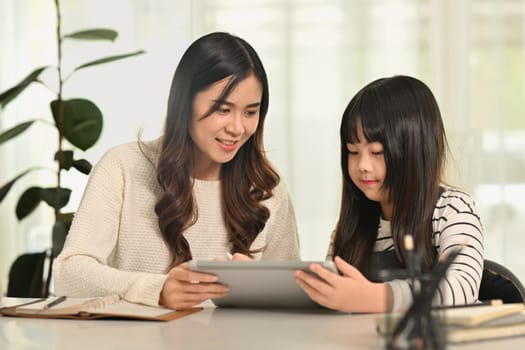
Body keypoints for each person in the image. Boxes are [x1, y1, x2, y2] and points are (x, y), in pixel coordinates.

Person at [54, 32, 300, 310]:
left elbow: (288, 301)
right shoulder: (123, 166)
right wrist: (156, 290)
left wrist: (258, 288)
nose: (237, 128)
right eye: (222, 109)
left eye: (250, 112)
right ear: (184, 102)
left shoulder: (267, 187)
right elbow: (68, 274)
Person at [295, 75, 484, 313]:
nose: (363, 165)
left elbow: (461, 287)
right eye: (353, 152)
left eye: (377, 152)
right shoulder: (352, 225)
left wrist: (374, 298)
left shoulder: (452, 209)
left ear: (416, 151)